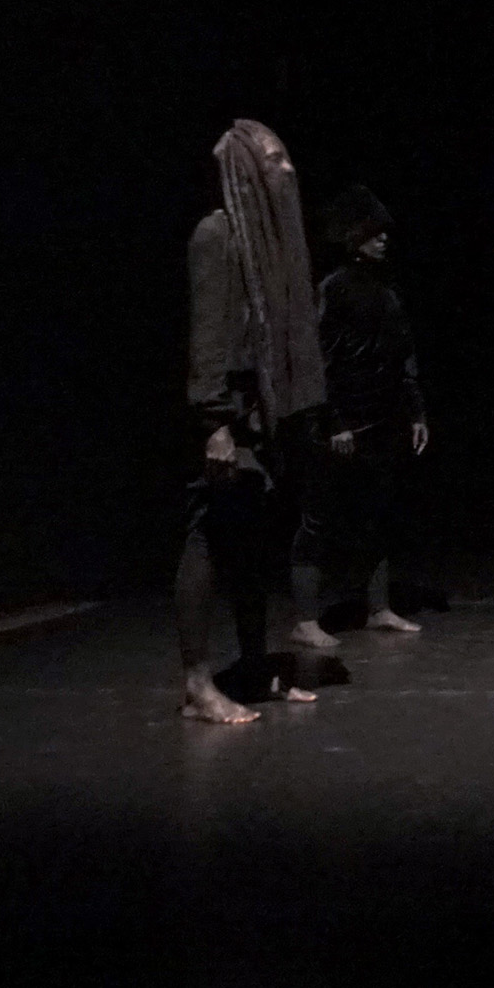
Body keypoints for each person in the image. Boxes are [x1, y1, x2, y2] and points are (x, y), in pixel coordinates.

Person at [178, 118, 333, 724]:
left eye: (286, 157)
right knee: (208, 540)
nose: (287, 169)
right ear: (245, 170)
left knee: (253, 547)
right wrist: (214, 423)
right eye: (273, 160)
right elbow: (207, 338)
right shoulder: (217, 235)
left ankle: (251, 667)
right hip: (228, 418)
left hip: (262, 419)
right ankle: (197, 685)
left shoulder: (269, 246)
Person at [288, 183, 431, 647]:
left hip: (383, 419)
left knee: (376, 514)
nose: (383, 239)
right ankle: (305, 619)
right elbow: (319, 359)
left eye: (384, 232)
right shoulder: (333, 288)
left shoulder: (387, 290)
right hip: (342, 422)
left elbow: (403, 355)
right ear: (353, 236)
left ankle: (378, 607)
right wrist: (335, 421)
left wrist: (415, 412)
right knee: (319, 519)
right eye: (373, 232)